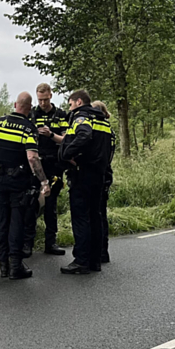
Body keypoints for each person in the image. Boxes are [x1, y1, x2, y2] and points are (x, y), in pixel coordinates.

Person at [0, 92, 51, 280]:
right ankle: (15, 266)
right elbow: (32, 157)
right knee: (16, 222)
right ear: (29, 108)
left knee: (2, 220)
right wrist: (44, 181)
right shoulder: (28, 128)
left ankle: (3, 265)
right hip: (18, 182)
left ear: (15, 104)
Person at [59, 89, 112, 274]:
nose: (70, 107)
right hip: (99, 175)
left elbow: (84, 135)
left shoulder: (82, 117)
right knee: (95, 217)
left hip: (82, 174)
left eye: (70, 104)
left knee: (81, 218)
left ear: (79, 101)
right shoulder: (103, 121)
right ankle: (94, 261)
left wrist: (67, 153)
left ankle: (81, 261)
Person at [24, 83, 69, 256]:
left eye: (45, 99)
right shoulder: (32, 114)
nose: (42, 103)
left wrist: (51, 135)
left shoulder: (61, 115)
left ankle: (51, 242)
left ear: (51, 95)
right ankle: (27, 243)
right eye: (39, 100)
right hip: (35, 164)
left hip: (54, 164)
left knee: (51, 206)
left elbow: (66, 140)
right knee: (31, 203)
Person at [91, 100, 116, 265]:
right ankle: (103, 252)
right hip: (107, 174)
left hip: (98, 174)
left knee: (95, 214)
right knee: (102, 214)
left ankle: (97, 252)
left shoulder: (98, 130)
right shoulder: (110, 131)